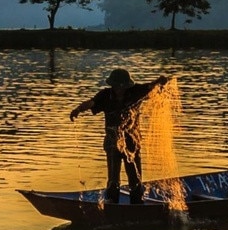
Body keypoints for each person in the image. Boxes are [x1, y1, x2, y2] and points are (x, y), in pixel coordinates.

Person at [70, 69, 172, 203]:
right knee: (113, 180)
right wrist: (78, 110)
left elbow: (151, 87)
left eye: (122, 87)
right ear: (113, 85)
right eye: (117, 86)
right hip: (112, 143)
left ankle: (137, 205)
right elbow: (91, 103)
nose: (120, 89)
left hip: (132, 144)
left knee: (135, 180)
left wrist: (160, 81)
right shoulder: (105, 95)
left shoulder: (135, 92)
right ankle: (113, 204)